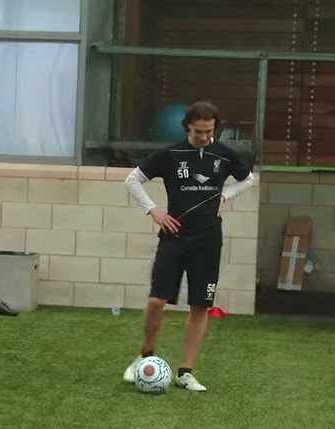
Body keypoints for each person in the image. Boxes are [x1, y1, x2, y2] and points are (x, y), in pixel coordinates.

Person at [122, 101, 253, 392]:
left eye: (209, 131)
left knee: (200, 306)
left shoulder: (224, 154)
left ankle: (185, 372)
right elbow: (133, 180)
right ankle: (145, 355)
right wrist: (154, 211)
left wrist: (225, 196)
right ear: (187, 128)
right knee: (157, 300)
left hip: (208, 240)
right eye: (199, 131)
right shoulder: (171, 154)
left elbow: (247, 180)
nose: (204, 137)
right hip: (174, 237)